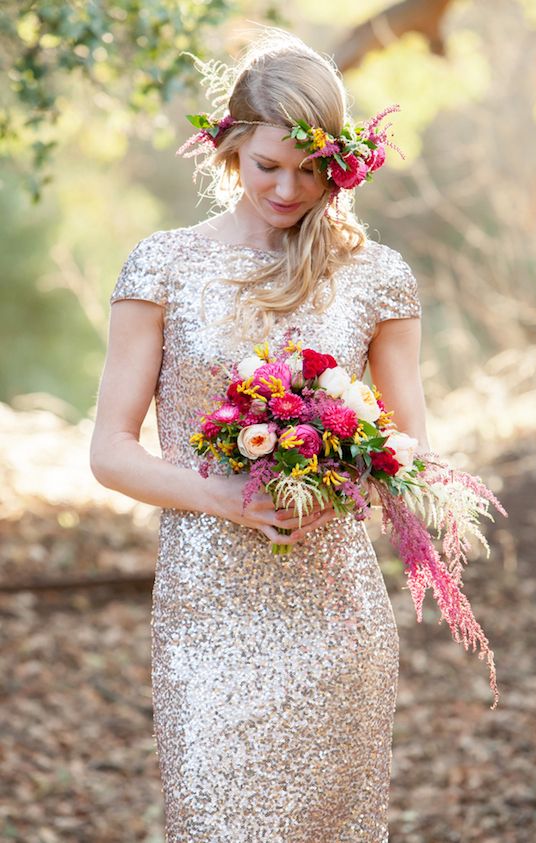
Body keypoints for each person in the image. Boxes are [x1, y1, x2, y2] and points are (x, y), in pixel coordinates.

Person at [90, 27, 431, 843]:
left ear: (338, 162)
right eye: (266, 164)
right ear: (230, 147)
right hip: (207, 614)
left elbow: (412, 440)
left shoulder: (377, 276)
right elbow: (110, 449)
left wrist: (342, 481)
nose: (285, 187)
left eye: (308, 169)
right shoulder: (161, 266)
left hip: (335, 613)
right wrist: (223, 497)